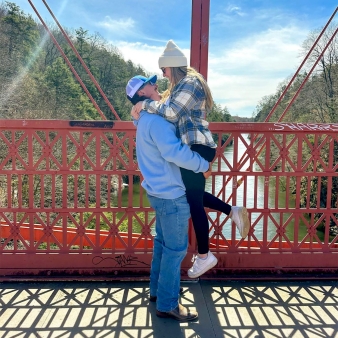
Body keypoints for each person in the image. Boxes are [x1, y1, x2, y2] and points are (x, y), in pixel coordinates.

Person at [131, 40, 250, 279]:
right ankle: (231, 212)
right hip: (194, 147)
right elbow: (164, 111)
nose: (163, 75)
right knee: (191, 197)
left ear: (172, 66)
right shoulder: (181, 86)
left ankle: (206, 256)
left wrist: (144, 103)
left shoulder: (190, 83)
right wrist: (140, 108)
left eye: (163, 70)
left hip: (199, 147)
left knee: (194, 203)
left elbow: (172, 113)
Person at [126, 74, 211, 321]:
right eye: (150, 83)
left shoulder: (143, 120)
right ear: (142, 93)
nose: (156, 83)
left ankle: (157, 291)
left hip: (156, 190)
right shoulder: (158, 121)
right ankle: (167, 304)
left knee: (163, 245)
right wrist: (201, 164)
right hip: (171, 193)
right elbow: (174, 152)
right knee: (175, 250)